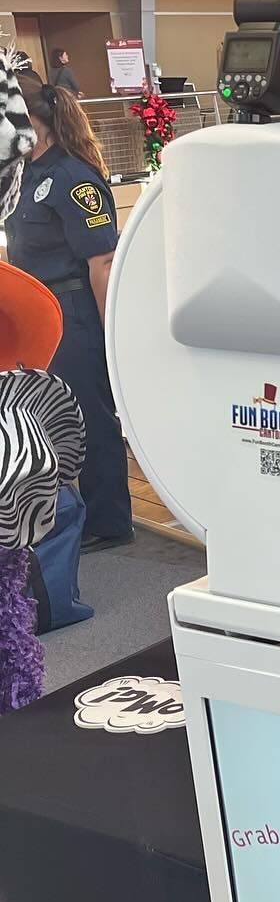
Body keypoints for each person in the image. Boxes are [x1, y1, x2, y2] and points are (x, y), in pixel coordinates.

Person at [7, 80, 133, 550]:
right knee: (45, 418)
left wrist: (109, 331)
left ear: (38, 126)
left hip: (75, 308)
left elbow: (101, 262)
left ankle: (110, 522)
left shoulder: (74, 180)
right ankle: (59, 516)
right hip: (36, 314)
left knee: (90, 417)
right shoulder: (25, 175)